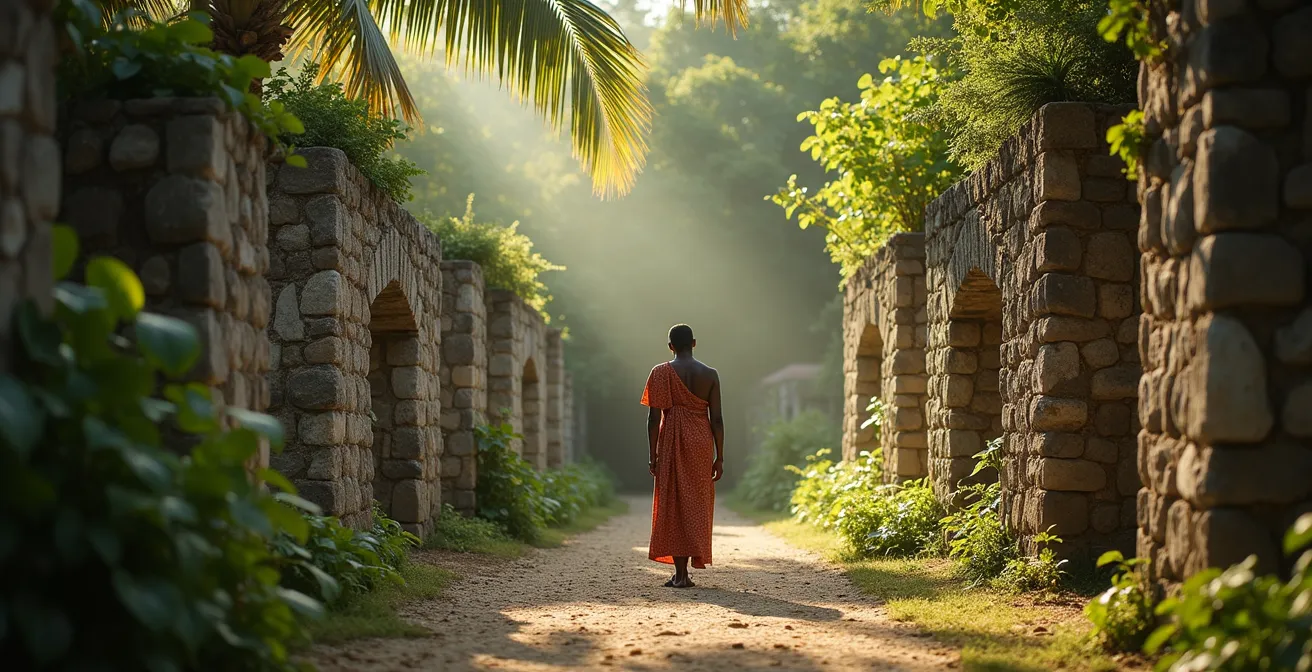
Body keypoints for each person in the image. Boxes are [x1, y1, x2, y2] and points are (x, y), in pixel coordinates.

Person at [641, 323, 724, 588]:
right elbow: (718, 419)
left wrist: (653, 454)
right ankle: (684, 572)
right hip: (701, 441)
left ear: (670, 346)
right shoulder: (710, 375)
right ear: (695, 343)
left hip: (670, 441)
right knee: (696, 503)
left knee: (673, 500)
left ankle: (681, 574)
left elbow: (653, 419)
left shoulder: (660, 372)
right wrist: (719, 457)